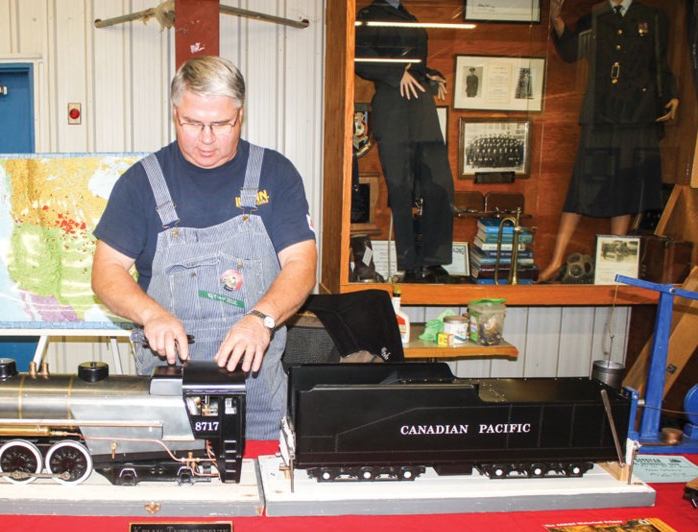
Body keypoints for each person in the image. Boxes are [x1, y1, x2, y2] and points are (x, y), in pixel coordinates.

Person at [92, 56, 318, 440]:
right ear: (174, 112)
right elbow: (106, 271)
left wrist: (261, 320)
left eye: (221, 124)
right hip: (167, 401)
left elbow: (301, 263)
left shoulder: (276, 175)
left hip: (257, 400)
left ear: (240, 115)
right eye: (193, 124)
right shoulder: (140, 184)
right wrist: (151, 315)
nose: (207, 139)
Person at [539, 0, 678, 282]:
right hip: (600, 114)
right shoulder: (597, 15)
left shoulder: (652, 17)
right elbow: (571, 51)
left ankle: (614, 268)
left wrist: (672, 95)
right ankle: (555, 261)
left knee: (626, 188)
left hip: (636, 114)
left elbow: (659, 63)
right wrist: (556, 20)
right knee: (582, 187)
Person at [354, 0, 455, 283]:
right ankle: (411, 265)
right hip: (393, 106)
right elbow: (358, 55)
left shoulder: (406, 15)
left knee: (439, 183)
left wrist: (427, 73)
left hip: (420, 105)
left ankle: (433, 262)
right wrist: (396, 73)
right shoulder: (369, 16)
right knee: (400, 187)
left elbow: (410, 60)